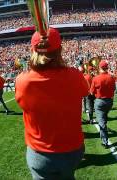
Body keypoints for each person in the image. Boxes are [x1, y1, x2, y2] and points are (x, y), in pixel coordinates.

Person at [15, 28, 89, 179]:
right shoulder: (76, 76)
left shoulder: (22, 80)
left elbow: (22, 103)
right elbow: (85, 92)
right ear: (60, 50)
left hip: (40, 154)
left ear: (33, 50)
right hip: (73, 151)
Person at [90, 60, 116, 148]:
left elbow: (92, 92)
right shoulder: (111, 77)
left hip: (100, 101)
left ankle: (105, 141)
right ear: (107, 67)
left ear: (100, 67)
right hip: (109, 102)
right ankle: (104, 134)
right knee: (103, 119)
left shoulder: (96, 78)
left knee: (101, 122)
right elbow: (114, 89)